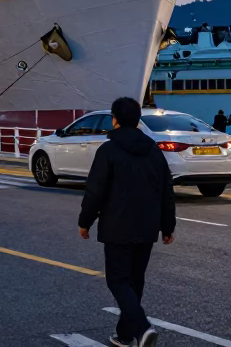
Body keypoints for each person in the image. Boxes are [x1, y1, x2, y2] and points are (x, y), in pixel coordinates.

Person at [78, 97, 175, 347]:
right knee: (135, 280)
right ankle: (125, 335)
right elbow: (166, 188)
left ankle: (142, 328)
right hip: (147, 226)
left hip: (117, 226)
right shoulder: (153, 150)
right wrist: (168, 225)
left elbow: (95, 192)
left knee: (118, 280)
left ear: (115, 120)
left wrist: (85, 221)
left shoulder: (108, 150)